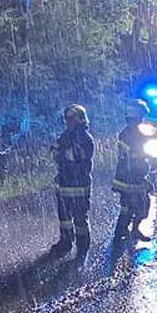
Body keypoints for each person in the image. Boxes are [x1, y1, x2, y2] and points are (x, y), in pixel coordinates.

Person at [48, 104, 96, 266]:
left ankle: (83, 247)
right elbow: (55, 152)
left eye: (71, 120)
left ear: (79, 120)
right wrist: (61, 154)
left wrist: (61, 154)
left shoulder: (86, 139)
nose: (68, 122)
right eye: (67, 120)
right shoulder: (65, 135)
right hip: (64, 183)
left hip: (79, 185)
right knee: (64, 218)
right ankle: (65, 242)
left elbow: (74, 156)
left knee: (80, 218)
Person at [111, 100, 157, 251]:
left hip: (136, 177)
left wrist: (153, 157)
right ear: (137, 115)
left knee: (143, 204)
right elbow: (131, 156)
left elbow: (148, 147)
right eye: (142, 116)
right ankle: (120, 234)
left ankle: (134, 230)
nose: (144, 119)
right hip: (128, 178)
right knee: (129, 207)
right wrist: (144, 157)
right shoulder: (127, 134)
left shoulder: (138, 132)